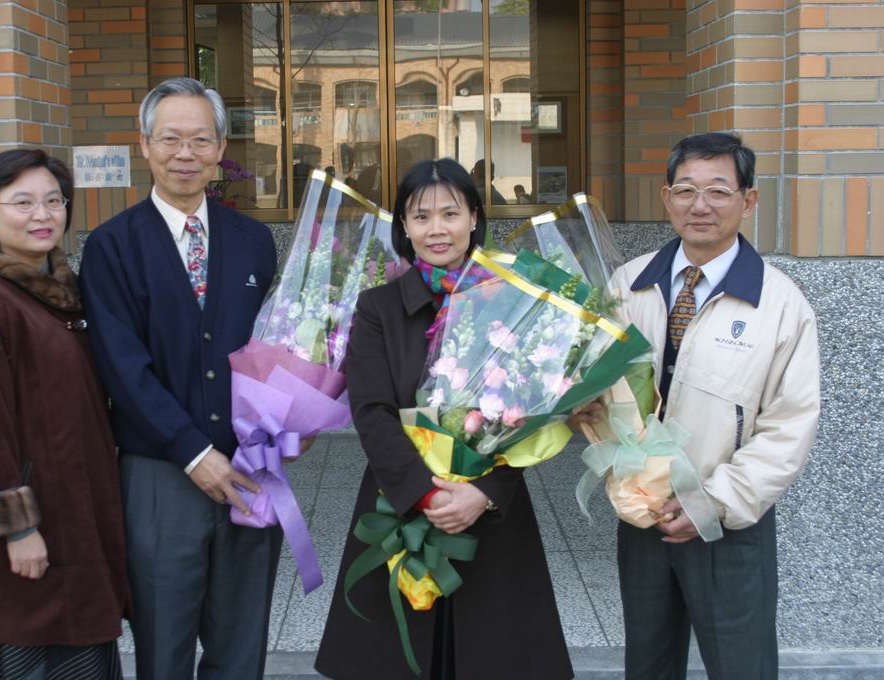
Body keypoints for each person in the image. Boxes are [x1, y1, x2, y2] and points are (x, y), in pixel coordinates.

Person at [315, 158, 573, 680]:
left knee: (492, 656)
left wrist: (485, 493)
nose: (437, 229)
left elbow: (534, 414)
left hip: (489, 515)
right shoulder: (377, 307)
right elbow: (372, 412)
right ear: (404, 226)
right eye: (421, 216)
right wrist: (425, 494)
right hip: (401, 504)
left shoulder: (514, 301)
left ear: (474, 218)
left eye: (450, 214)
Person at [78, 77, 280, 680]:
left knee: (240, 646)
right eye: (170, 139)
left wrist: (286, 425)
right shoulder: (111, 247)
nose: (184, 154)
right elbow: (122, 367)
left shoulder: (254, 241)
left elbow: (279, 348)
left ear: (220, 149)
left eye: (200, 140)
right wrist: (193, 452)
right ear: (145, 145)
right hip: (160, 474)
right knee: (163, 646)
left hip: (248, 469)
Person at [605, 132, 820, 679]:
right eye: (686, 190)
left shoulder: (780, 304)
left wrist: (713, 502)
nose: (700, 205)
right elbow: (604, 394)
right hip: (646, 516)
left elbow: (789, 426)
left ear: (748, 201)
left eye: (719, 191)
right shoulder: (628, 285)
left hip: (728, 521)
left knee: (742, 665)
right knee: (648, 665)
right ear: (666, 198)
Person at [0, 148, 130, 678]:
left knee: (83, 643)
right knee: (34, 650)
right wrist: (17, 529)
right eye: (22, 203)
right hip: (31, 533)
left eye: (53, 200)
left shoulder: (65, 297)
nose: (42, 215)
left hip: (78, 520)